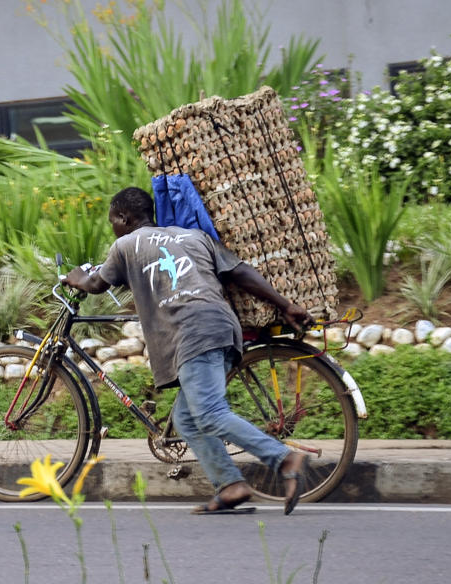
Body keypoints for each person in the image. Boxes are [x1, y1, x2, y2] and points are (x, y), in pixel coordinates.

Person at [63, 186, 315, 515]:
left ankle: (283, 458)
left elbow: (96, 285)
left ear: (124, 218)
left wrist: (76, 277)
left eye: (113, 221)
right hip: (222, 326)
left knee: (209, 413)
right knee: (187, 420)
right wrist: (286, 305)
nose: (113, 227)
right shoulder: (192, 236)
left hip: (193, 331)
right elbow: (240, 272)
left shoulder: (126, 244)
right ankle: (231, 486)